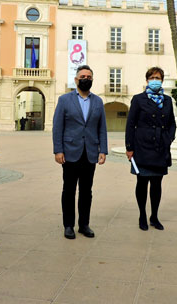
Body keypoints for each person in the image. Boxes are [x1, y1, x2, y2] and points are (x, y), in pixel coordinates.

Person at [53, 65, 108, 239]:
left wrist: (103, 150)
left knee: (86, 191)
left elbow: (102, 128)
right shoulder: (64, 100)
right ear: (76, 80)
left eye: (89, 76)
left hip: (90, 152)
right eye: (83, 76)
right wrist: (58, 150)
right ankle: (68, 225)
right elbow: (57, 127)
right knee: (69, 190)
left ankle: (84, 224)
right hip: (70, 152)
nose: (86, 79)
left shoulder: (98, 101)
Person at [125, 67, 176, 231]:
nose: (156, 80)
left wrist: (168, 139)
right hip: (142, 146)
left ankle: (154, 216)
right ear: (147, 80)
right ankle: (142, 215)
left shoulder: (167, 100)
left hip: (160, 147)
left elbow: (172, 123)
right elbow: (130, 124)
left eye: (159, 78)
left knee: (157, 183)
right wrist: (129, 147)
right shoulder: (139, 99)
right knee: (141, 182)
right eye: (153, 77)